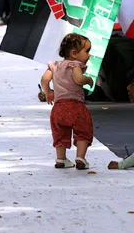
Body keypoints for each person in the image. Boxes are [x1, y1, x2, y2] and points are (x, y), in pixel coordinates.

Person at [39, 33, 95, 170]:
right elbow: (78, 79)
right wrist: (87, 79)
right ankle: (80, 157)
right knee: (83, 131)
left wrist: (48, 92)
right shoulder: (75, 65)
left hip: (58, 108)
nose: (89, 55)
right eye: (87, 51)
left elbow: (44, 79)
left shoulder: (55, 66)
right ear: (74, 53)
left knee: (60, 133)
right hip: (75, 106)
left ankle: (61, 159)